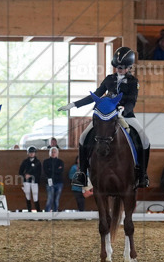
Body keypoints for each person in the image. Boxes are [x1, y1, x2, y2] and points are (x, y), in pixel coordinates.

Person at [60, 46, 152, 189]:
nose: (119, 69)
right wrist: (74, 104)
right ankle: (82, 173)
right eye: (117, 67)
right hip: (105, 116)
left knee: (145, 140)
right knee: (83, 137)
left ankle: (142, 174)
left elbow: (132, 101)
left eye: (122, 67)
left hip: (125, 115)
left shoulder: (133, 82)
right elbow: (95, 95)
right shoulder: (109, 79)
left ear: (129, 67)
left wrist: (123, 109)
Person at [19, 146, 42, 212]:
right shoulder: (25, 162)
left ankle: (38, 211)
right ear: (28, 153)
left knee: (35, 197)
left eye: (33, 152)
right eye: (30, 152)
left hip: (34, 181)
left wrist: (31, 175)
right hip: (26, 181)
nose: (31, 154)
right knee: (27, 196)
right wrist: (24, 175)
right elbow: (20, 172)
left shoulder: (38, 162)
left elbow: (39, 173)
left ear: (35, 153)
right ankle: (29, 211)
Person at [43, 146, 65, 212]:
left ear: (57, 153)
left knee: (56, 199)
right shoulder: (46, 161)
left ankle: (55, 214)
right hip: (49, 182)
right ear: (49, 153)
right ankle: (47, 214)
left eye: (54, 152)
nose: (53, 153)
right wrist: (56, 169)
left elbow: (60, 171)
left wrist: (52, 170)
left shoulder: (60, 162)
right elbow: (46, 171)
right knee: (50, 199)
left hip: (59, 182)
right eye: (52, 152)